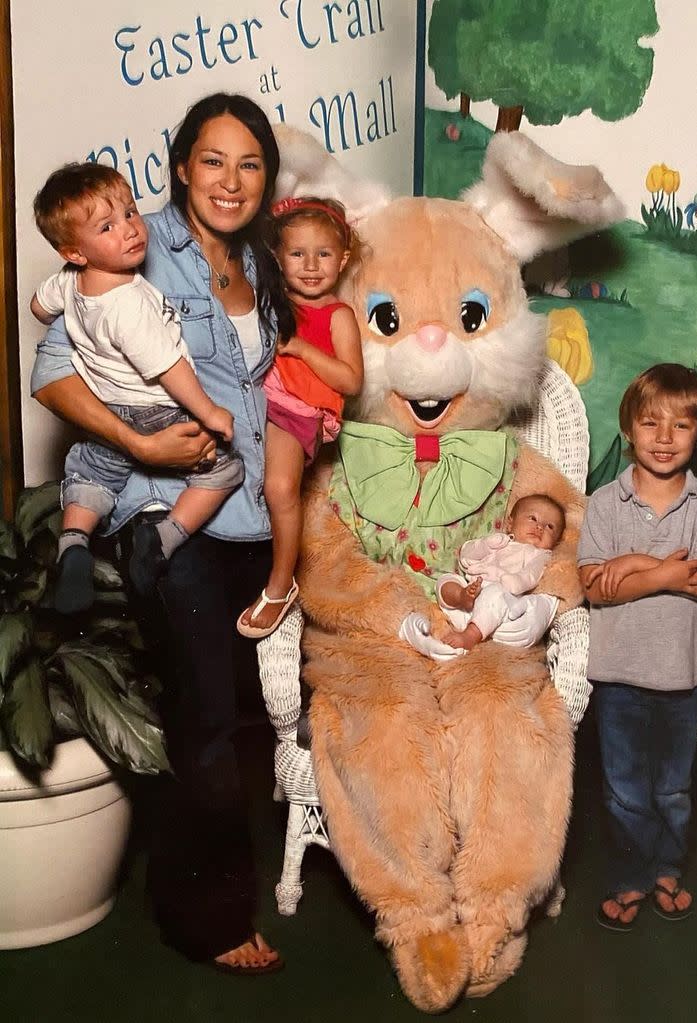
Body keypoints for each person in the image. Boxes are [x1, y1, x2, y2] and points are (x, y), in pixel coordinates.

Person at [31, 92, 296, 973]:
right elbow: (53, 372)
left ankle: (210, 884)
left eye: (249, 163)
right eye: (212, 160)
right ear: (180, 165)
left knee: (250, 718)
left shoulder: (263, 261)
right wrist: (138, 440)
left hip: (260, 515)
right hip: (169, 518)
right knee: (206, 720)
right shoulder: (127, 244)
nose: (231, 180)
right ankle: (206, 918)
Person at [31, 163, 243, 612]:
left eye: (130, 213)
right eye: (107, 227)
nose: (130, 230)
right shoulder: (128, 305)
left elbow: (38, 304)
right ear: (75, 251)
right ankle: (163, 539)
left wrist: (52, 306)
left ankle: (73, 542)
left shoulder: (70, 283)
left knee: (93, 473)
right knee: (227, 471)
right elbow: (169, 369)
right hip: (157, 411)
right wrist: (209, 413)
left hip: (110, 407)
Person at [577, 363, 697, 932]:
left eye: (681, 426)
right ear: (628, 429)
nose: (664, 439)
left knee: (672, 787)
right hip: (618, 677)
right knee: (623, 792)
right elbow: (593, 587)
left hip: (685, 677)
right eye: (650, 424)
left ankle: (667, 868)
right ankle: (631, 876)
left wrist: (638, 569)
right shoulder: (604, 503)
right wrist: (664, 569)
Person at [237, 196, 363, 638]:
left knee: (279, 486)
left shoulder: (337, 316)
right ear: (277, 257)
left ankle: (280, 585)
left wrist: (302, 348)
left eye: (324, 254)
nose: (311, 265)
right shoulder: (271, 299)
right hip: (255, 397)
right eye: (297, 253)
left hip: (298, 409)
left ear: (343, 259)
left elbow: (351, 380)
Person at [436, 493, 564, 650]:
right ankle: (462, 597)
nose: (540, 527)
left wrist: (512, 580)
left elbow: (531, 574)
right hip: (469, 601)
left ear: (556, 541)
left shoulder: (540, 554)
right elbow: (465, 555)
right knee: (446, 580)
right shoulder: (500, 541)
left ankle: (471, 635)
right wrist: (485, 545)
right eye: (533, 518)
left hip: (503, 604)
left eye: (550, 526)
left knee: (495, 592)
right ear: (510, 523)